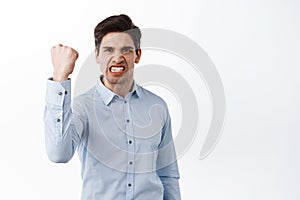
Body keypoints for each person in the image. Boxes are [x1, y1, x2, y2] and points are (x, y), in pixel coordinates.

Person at [44, 14, 181, 200]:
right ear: (97, 55)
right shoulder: (83, 107)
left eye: (126, 50)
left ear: (138, 55)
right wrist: (60, 76)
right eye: (108, 50)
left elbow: (168, 175)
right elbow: (58, 153)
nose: (117, 58)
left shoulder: (157, 106)